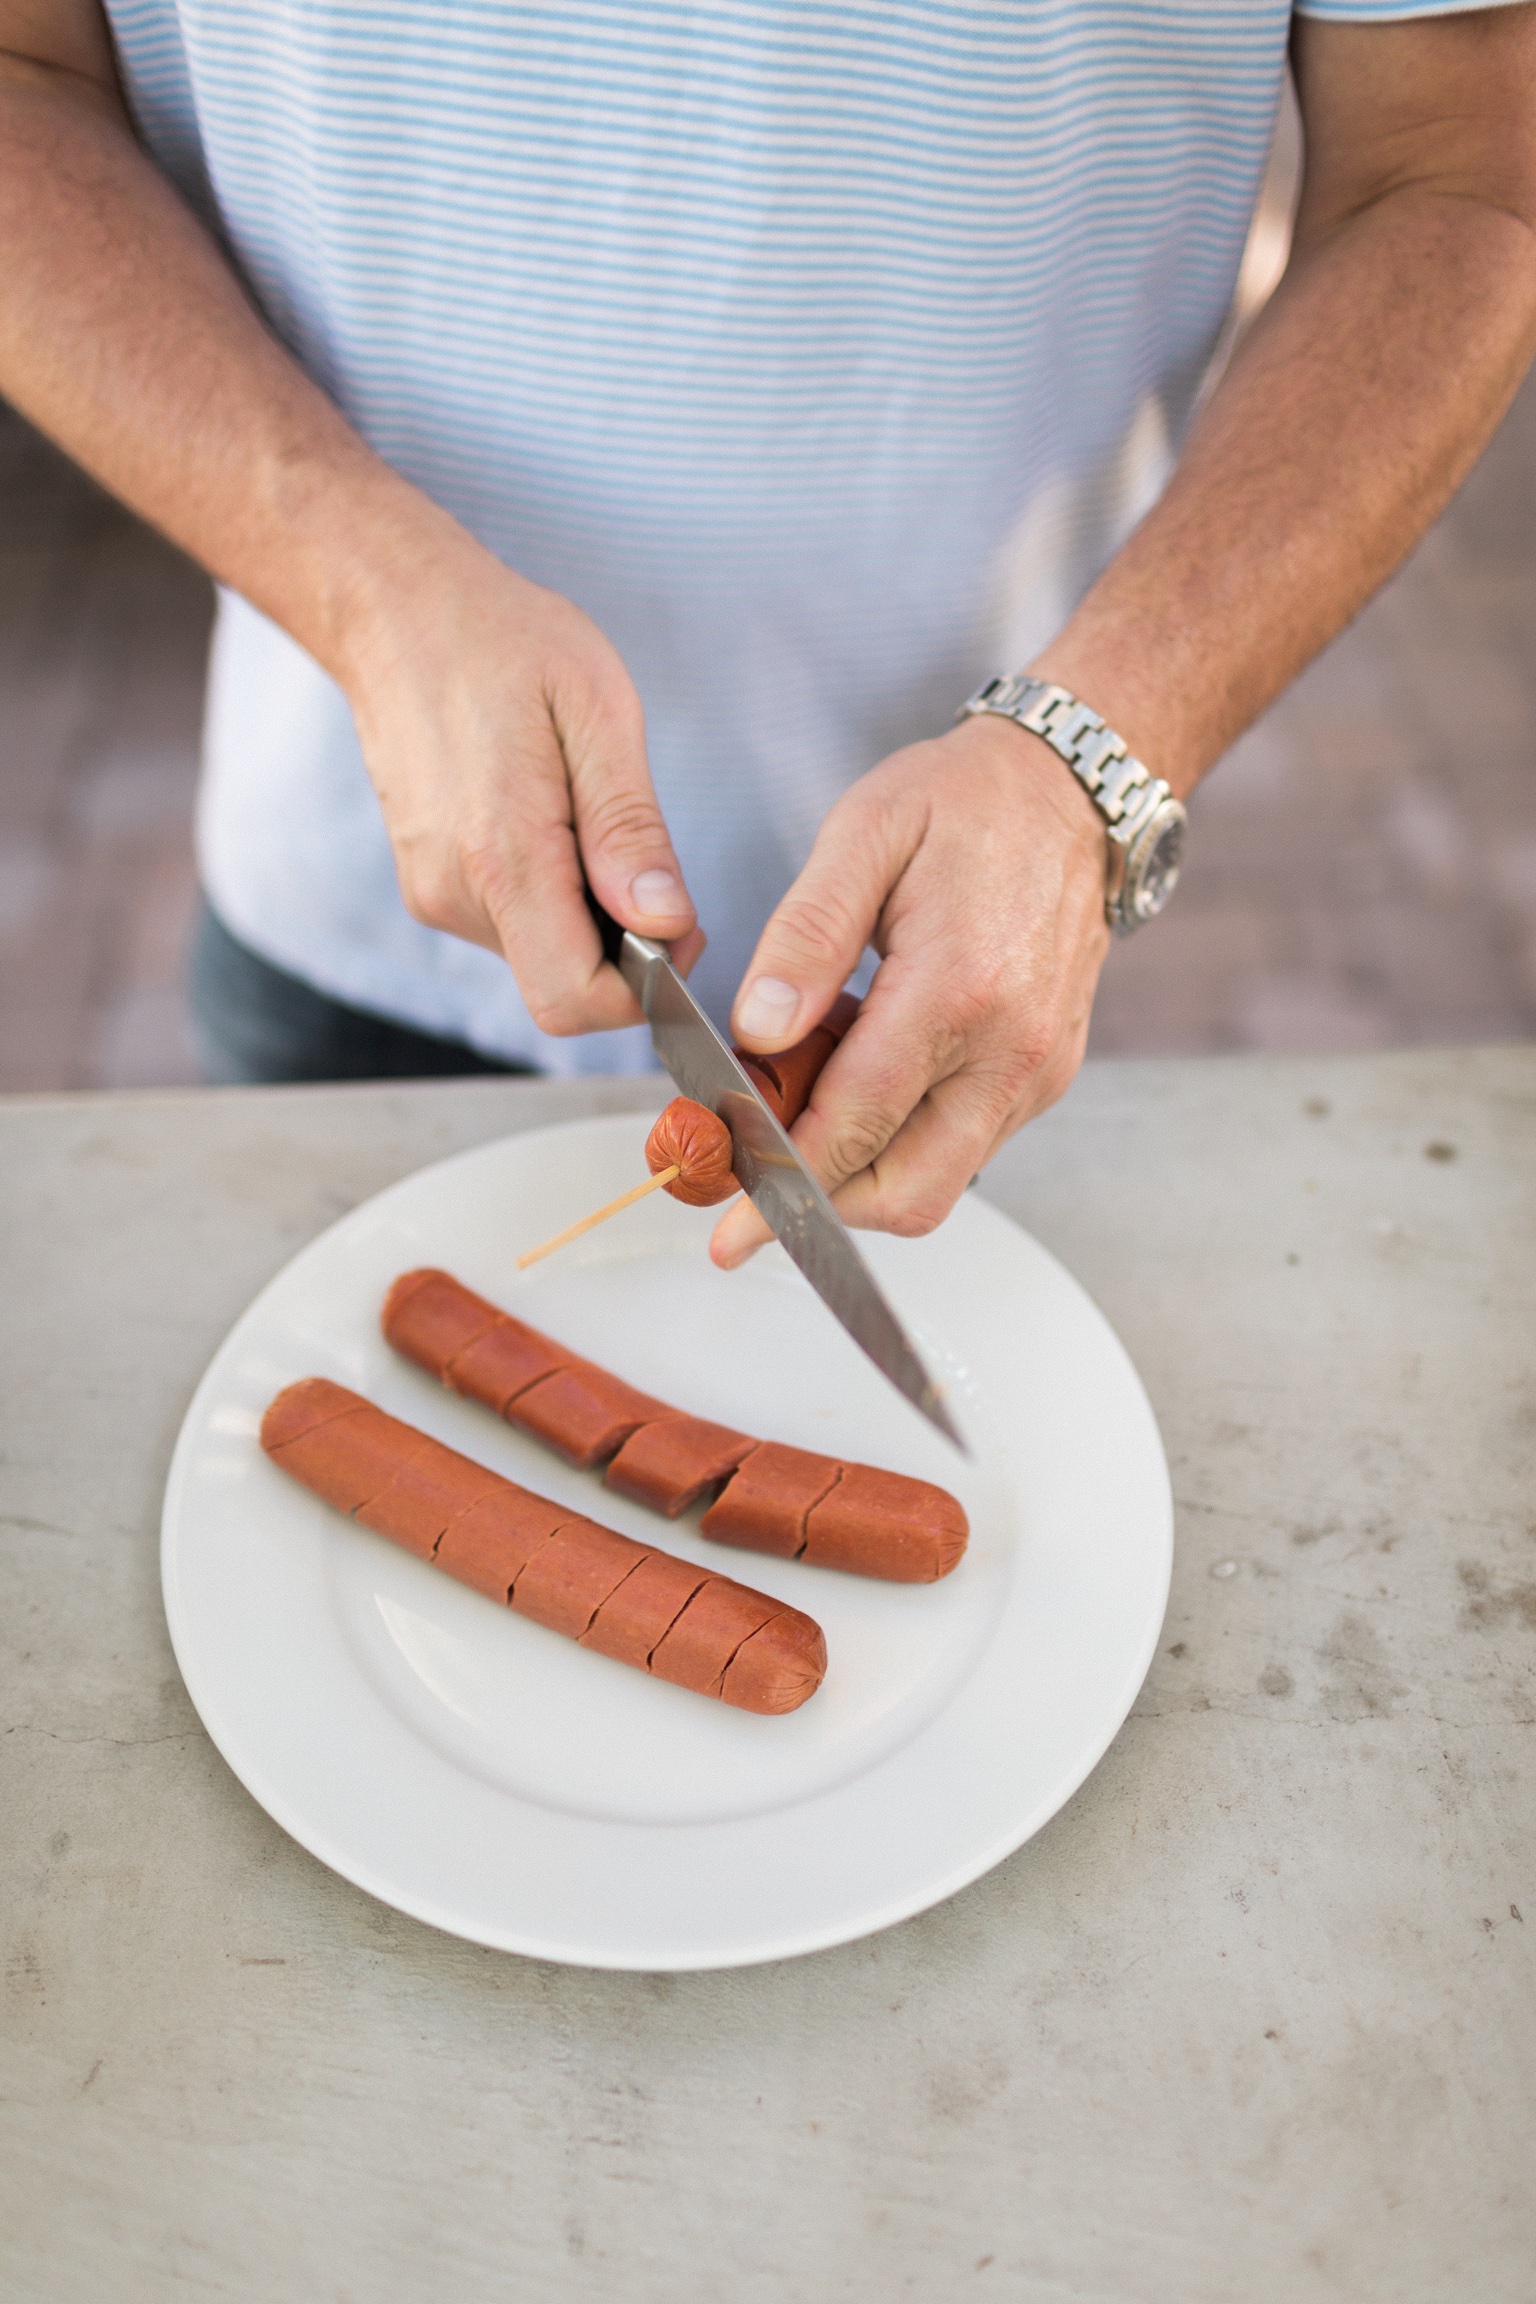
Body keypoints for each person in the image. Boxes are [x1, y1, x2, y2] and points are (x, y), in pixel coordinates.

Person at [2, 2, 1533, 1272]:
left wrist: (1092, 757)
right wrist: (351, 576)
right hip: (354, 909)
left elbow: (1454, 167)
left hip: (969, 978)